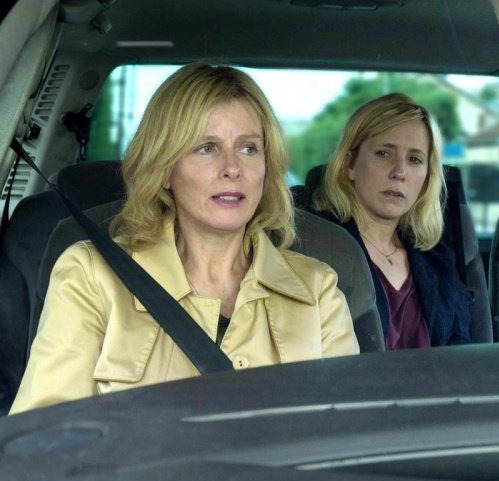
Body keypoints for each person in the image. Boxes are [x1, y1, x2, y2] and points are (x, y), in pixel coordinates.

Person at [11, 63, 359, 413]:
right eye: (206, 148)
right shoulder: (91, 276)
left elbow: (350, 431)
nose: (232, 168)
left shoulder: (317, 290)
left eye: (249, 148)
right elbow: (44, 433)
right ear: (164, 169)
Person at [311, 93, 471, 350]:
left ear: (426, 179)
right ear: (350, 164)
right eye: (384, 154)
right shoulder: (314, 249)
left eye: (415, 159)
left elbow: (463, 357)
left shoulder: (439, 262)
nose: (399, 172)